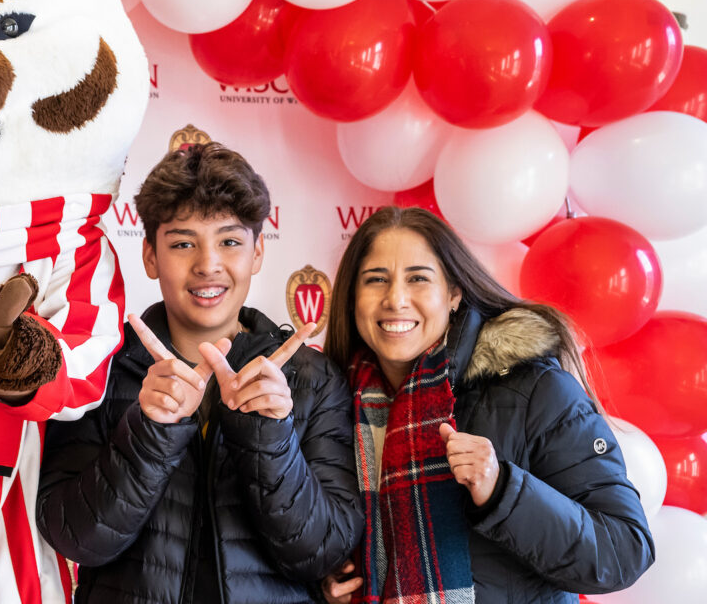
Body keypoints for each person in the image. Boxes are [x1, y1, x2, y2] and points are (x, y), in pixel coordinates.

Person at [37, 142, 362, 603]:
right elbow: (75, 538)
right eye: (183, 243)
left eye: (229, 241)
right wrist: (150, 431)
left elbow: (322, 554)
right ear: (149, 255)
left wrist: (270, 436)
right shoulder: (97, 365)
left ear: (257, 253)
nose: (208, 264)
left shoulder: (311, 379)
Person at [319, 206, 654, 604]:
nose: (396, 299)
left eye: (418, 279)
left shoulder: (536, 390)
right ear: (352, 297)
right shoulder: (334, 403)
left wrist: (503, 490)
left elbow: (624, 552)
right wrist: (325, 581)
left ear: (454, 294)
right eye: (376, 280)